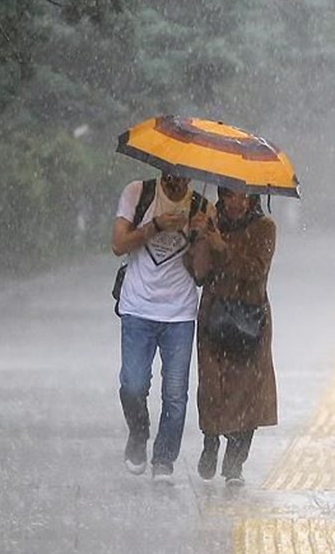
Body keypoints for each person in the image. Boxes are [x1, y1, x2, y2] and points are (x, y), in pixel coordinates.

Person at [111, 173, 208, 481]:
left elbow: (202, 273)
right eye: (171, 173)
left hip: (179, 313)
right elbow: (118, 244)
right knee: (133, 385)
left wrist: (199, 236)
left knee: (176, 392)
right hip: (138, 308)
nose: (177, 181)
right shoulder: (138, 192)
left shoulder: (201, 206)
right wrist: (155, 226)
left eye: (183, 175)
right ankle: (139, 433)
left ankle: (165, 459)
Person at [186, 187, 277, 486]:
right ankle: (210, 441)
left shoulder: (265, 227)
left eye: (243, 196)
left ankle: (235, 463)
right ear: (222, 196)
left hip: (250, 317)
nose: (236, 202)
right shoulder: (211, 220)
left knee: (248, 392)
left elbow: (254, 270)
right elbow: (198, 274)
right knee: (212, 384)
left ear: (253, 199)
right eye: (230, 195)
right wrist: (198, 238)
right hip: (214, 315)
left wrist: (221, 245)